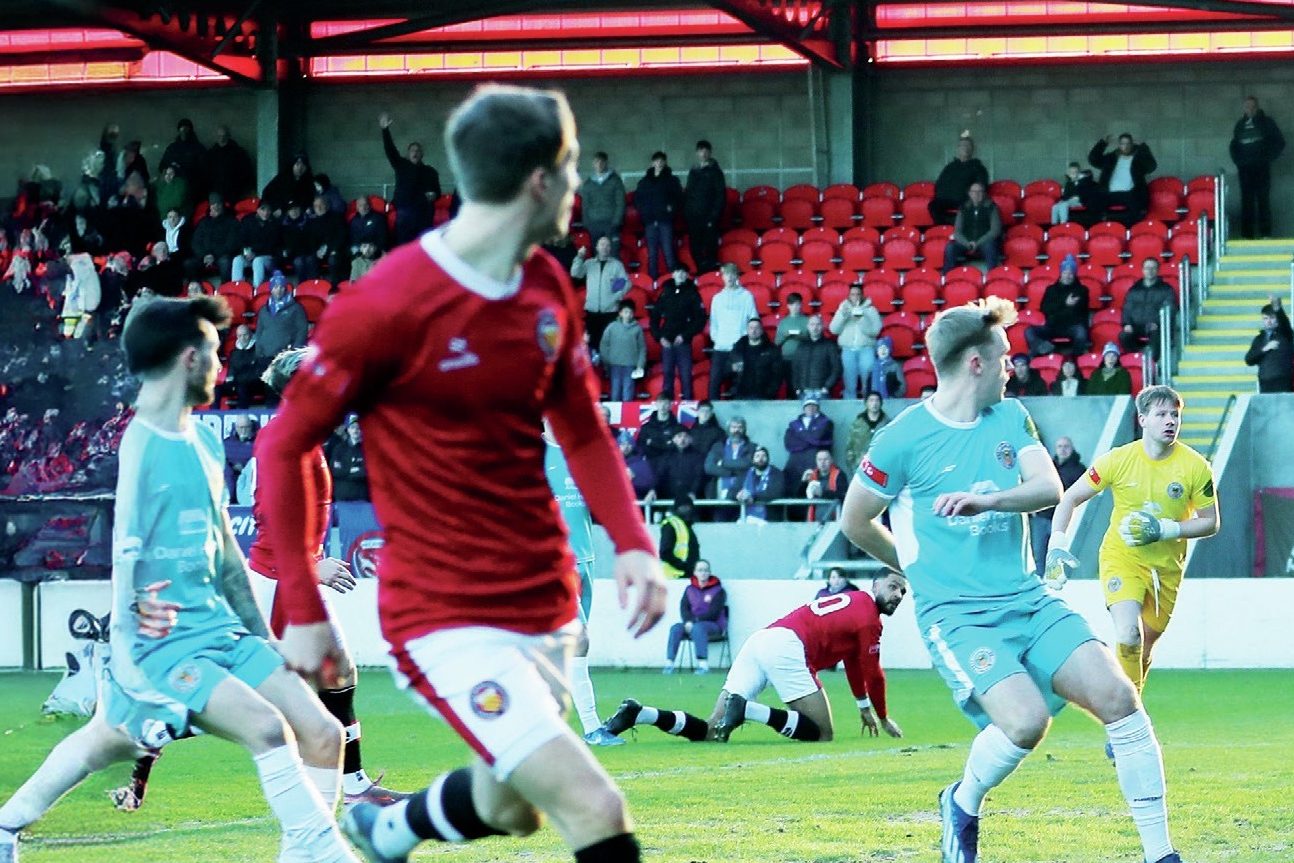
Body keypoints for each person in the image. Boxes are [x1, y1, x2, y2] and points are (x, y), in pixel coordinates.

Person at [257, 84, 666, 863]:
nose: (579, 189)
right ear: (542, 181)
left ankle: (392, 825)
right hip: (442, 610)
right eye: (572, 170)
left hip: (542, 597)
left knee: (514, 805)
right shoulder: (386, 304)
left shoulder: (544, 284)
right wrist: (305, 608)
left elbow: (579, 428)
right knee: (594, 803)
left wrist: (634, 542)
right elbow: (282, 445)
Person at [0, 297, 360, 863]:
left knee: (324, 734)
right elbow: (126, 559)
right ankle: (323, 853)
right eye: (215, 354)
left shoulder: (206, 442)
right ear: (188, 359)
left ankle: (3, 828)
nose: (223, 367)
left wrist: (262, 638)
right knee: (263, 730)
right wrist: (129, 651)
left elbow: (225, 557)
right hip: (161, 641)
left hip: (220, 628)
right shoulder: (142, 444)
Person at [841, 296, 1186, 863]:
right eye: (1003, 357)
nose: (1012, 366)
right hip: (958, 616)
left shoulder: (1011, 416)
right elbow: (855, 521)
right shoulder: (901, 439)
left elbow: (1050, 489)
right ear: (975, 363)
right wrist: (919, 575)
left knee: (1120, 700)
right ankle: (962, 800)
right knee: (1025, 724)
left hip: (1027, 597)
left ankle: (1161, 855)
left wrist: (987, 502)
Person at [118, 350, 403, 814]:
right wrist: (312, 566)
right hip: (276, 583)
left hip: (291, 578)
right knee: (242, 695)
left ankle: (352, 784)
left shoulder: (302, 436)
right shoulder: (283, 440)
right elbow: (270, 520)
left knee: (339, 674)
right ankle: (146, 733)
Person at [1048, 386, 1218, 703]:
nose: (1170, 421)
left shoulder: (1196, 467)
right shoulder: (1118, 460)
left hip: (1166, 569)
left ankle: (1131, 699)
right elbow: (1070, 497)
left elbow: (1211, 522)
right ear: (1143, 419)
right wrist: (1057, 544)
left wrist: (1165, 529)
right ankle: (1128, 719)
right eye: (1162, 414)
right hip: (1121, 558)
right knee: (1128, 635)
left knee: (1145, 645)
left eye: (1175, 415)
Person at [601, 573, 907, 744]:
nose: (898, 594)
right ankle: (749, 710)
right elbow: (873, 673)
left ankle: (639, 713)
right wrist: (881, 716)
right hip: (788, 646)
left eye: (903, 592)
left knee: (711, 730)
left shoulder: (857, 607)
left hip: (761, 640)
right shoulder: (870, 619)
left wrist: (863, 707)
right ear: (875, 585)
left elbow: (855, 662)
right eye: (893, 586)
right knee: (822, 734)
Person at [543, 423, 624, 747]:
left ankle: (545, 727)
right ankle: (591, 726)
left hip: (586, 559)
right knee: (580, 640)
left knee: (565, 648)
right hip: (556, 561)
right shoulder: (533, 453)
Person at [379, 113, 442, 245]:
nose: (415, 152)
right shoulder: (401, 165)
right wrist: (385, 130)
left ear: (422, 154)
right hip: (405, 213)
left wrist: (434, 195)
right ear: (408, 153)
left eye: (418, 150)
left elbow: (438, 192)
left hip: (424, 214)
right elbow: (390, 150)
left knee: (422, 248)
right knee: (404, 248)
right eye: (412, 150)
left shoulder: (430, 172)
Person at [1029, 436, 1086, 580]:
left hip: (1063, 520)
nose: (1063, 449)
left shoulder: (1079, 470)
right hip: (1042, 518)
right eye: (1060, 446)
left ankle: (1058, 581)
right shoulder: (1048, 467)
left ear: (1072, 448)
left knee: (1059, 554)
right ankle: (1040, 584)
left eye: (1066, 446)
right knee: (1038, 555)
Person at [1229, 96, 1285, 239]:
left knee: (1263, 200)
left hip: (1261, 168)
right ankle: (1247, 235)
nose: (1250, 110)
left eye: (1252, 107)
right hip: (1245, 169)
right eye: (1247, 107)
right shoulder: (1240, 124)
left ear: (1257, 107)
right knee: (1246, 201)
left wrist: (1267, 158)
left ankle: (1265, 234)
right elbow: (1234, 145)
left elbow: (1279, 142)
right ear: (1244, 108)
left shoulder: (1267, 122)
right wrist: (1239, 161)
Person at [649, 267, 706, 399]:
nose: (680, 274)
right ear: (673, 274)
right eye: (678, 271)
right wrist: (659, 337)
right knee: (667, 375)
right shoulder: (665, 292)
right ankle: (666, 406)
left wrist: (685, 335)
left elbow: (700, 319)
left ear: (687, 275)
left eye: (683, 272)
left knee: (686, 375)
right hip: (666, 341)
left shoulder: (693, 293)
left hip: (684, 341)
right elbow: (654, 317)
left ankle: (688, 405)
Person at [662, 560, 728, 674]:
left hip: (713, 625)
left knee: (698, 628)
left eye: (706, 570)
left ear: (709, 573)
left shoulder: (719, 590)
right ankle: (669, 663)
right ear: (695, 573)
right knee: (676, 628)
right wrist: (688, 621)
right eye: (700, 570)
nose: (703, 573)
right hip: (691, 624)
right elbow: (684, 608)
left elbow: (714, 613)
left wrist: (693, 622)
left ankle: (703, 665)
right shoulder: (689, 589)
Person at [708, 264, 759, 400]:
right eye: (726, 274)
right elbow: (714, 323)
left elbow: (753, 319)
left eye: (732, 274)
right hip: (720, 348)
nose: (729, 277)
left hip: (740, 348)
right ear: (722, 277)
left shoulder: (747, 296)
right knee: (714, 383)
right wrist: (717, 339)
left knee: (740, 384)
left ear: (737, 276)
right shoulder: (717, 298)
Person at [1025, 254, 1090, 357]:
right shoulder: (1051, 290)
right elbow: (1045, 309)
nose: (1067, 276)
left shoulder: (1082, 290)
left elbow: (1074, 313)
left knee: (1081, 333)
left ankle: (1074, 359)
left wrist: (1056, 311)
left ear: (1074, 275)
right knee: (1029, 331)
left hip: (1072, 326)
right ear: (1061, 273)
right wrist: (1065, 304)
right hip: (1052, 326)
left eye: (1071, 273)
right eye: (1065, 272)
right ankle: (1045, 348)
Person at [573, 234, 629, 348]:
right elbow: (575, 273)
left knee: (609, 345)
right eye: (602, 244)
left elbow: (626, 283)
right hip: (592, 311)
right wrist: (579, 258)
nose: (605, 247)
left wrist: (616, 297)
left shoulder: (616, 265)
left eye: (608, 245)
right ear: (597, 247)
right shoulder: (589, 263)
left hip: (610, 312)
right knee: (592, 345)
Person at [1088, 132, 1158, 224]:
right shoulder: (1111, 158)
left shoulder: (1138, 159)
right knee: (1094, 205)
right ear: (1119, 145)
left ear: (1132, 144)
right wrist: (1103, 143)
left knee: (1137, 212)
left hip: (1130, 194)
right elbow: (1093, 160)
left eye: (1128, 143)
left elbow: (1152, 166)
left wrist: (1143, 147)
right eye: (1122, 143)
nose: (1125, 146)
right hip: (1109, 194)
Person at [635, 151, 683, 281]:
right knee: (652, 254)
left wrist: (670, 210)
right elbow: (638, 200)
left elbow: (678, 198)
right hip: (650, 222)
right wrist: (645, 214)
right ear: (652, 163)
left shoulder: (672, 180)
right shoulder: (644, 182)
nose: (659, 163)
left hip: (665, 221)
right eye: (657, 161)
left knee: (668, 252)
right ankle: (653, 281)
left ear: (665, 163)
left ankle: (674, 280)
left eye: (662, 161)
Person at [829, 284, 882, 400]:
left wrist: (861, 319)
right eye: (853, 294)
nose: (855, 297)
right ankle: (849, 406)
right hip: (847, 350)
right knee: (849, 383)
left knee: (867, 381)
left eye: (858, 294)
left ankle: (868, 403)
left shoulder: (871, 310)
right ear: (849, 296)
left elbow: (876, 331)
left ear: (862, 295)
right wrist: (843, 317)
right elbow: (833, 330)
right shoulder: (842, 309)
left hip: (866, 349)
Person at [683, 140, 727, 274]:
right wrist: (688, 212)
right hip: (694, 216)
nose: (703, 153)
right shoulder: (693, 171)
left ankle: (710, 271)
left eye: (706, 150)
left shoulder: (716, 172)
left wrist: (714, 216)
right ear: (697, 153)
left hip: (709, 216)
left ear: (710, 152)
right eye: (701, 150)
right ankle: (701, 270)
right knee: (695, 245)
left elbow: (720, 195)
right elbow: (688, 193)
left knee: (710, 245)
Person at [1120, 258, 1176, 358]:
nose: (1150, 270)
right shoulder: (1134, 289)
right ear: (1143, 270)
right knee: (1124, 336)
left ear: (1158, 270)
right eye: (1147, 268)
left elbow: (1169, 309)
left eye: (1153, 268)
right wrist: (1127, 323)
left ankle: (1154, 364)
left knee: (1157, 337)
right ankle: (1136, 359)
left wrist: (1158, 323)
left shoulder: (1166, 289)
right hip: (1136, 326)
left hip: (1156, 327)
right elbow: (1127, 308)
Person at [942, 182, 1002, 274]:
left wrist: (977, 243)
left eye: (979, 191)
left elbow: (995, 230)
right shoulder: (963, 208)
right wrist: (967, 243)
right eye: (974, 191)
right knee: (950, 248)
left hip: (984, 242)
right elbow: (957, 232)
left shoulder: (991, 207)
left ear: (984, 193)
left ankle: (992, 275)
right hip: (967, 242)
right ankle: (947, 277)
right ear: (969, 193)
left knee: (990, 246)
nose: (976, 194)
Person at [929, 137, 989, 226]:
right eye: (962, 145)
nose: (964, 147)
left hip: (965, 200)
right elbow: (939, 184)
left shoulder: (978, 167)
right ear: (958, 149)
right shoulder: (949, 167)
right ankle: (946, 226)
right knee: (933, 206)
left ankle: (957, 224)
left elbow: (981, 186)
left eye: (967, 145)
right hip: (946, 200)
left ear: (972, 149)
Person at [703, 416, 754, 515]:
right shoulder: (718, 446)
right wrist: (731, 472)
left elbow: (748, 463)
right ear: (728, 429)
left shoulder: (752, 447)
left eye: (740, 427)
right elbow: (709, 467)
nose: (737, 430)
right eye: (733, 427)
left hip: (743, 492)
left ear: (744, 429)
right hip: (719, 491)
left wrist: (723, 463)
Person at [599, 299, 647, 402]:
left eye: (630, 312)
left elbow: (642, 348)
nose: (628, 315)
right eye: (626, 312)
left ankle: (627, 417)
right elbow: (604, 345)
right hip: (614, 365)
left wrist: (640, 366)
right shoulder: (612, 327)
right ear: (620, 313)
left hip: (630, 366)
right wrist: (607, 361)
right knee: (615, 393)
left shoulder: (637, 329)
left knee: (628, 393)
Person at [1244, 295, 1293, 393]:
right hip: (1265, 382)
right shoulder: (1259, 339)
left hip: (1283, 382)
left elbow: (1284, 322)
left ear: (1277, 319)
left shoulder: (1285, 334)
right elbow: (1249, 359)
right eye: (1265, 318)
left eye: (1272, 318)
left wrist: (1277, 308)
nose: (1269, 321)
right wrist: (1264, 349)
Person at [581, 151, 626, 252]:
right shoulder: (588, 183)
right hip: (594, 224)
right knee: (596, 255)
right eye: (597, 162)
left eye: (602, 162)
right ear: (593, 164)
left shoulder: (615, 181)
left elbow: (621, 202)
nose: (599, 164)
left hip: (611, 223)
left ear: (606, 163)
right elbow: (585, 205)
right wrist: (587, 223)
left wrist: (616, 221)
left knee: (614, 254)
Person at [783, 395, 834, 481]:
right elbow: (788, 444)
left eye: (813, 405)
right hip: (796, 460)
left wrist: (800, 435)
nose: (810, 408)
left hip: (816, 459)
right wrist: (810, 442)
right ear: (804, 408)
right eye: (808, 405)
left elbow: (818, 438)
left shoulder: (826, 422)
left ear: (817, 407)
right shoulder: (794, 424)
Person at [790, 314, 841, 400]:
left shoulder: (829, 345)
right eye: (812, 324)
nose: (815, 327)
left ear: (822, 326)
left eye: (818, 324)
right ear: (808, 327)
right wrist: (797, 387)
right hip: (804, 391)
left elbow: (836, 368)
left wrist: (827, 387)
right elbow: (795, 368)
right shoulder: (802, 346)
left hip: (821, 392)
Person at [729, 318, 782, 399]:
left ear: (761, 330)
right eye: (751, 328)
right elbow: (726, 369)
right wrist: (731, 368)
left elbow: (777, 374)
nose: (753, 331)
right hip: (740, 394)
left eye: (756, 328)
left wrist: (769, 392)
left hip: (763, 395)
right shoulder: (738, 348)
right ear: (747, 330)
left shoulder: (771, 349)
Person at [654, 428, 707, 503]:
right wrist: (653, 490)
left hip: (691, 497)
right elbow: (659, 475)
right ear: (674, 439)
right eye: (679, 436)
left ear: (690, 439)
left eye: (685, 436)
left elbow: (700, 476)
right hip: (669, 497)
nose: (682, 439)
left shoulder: (698, 456)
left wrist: (693, 491)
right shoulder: (667, 456)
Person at [735, 445, 785, 522]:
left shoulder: (776, 473)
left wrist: (753, 497)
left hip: (768, 519)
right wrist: (739, 495)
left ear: (768, 459)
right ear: (752, 460)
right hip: (746, 517)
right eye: (757, 456)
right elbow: (731, 492)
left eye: (763, 456)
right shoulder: (745, 474)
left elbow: (776, 492)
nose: (760, 459)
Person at [636, 392, 682, 473]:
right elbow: (640, 447)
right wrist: (666, 444)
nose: (663, 406)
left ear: (671, 405)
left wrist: (652, 443)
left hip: (671, 468)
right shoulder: (646, 427)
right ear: (656, 404)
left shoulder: (678, 428)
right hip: (650, 466)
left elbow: (677, 448)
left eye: (666, 403)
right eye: (660, 402)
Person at [845, 392, 890, 474]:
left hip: (882, 466)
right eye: (871, 400)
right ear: (866, 403)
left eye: (877, 401)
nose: (874, 403)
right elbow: (850, 445)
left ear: (881, 403)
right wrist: (852, 464)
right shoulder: (858, 423)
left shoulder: (887, 424)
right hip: (861, 466)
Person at [800, 449, 849, 523]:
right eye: (819, 460)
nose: (822, 462)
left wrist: (822, 493)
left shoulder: (839, 475)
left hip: (834, 522)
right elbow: (799, 497)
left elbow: (843, 496)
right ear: (816, 461)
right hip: (813, 522)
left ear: (831, 460)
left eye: (825, 459)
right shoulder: (811, 475)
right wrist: (803, 482)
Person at [775, 291, 809, 393]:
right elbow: (777, 342)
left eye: (798, 304)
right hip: (787, 359)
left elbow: (813, 340)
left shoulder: (807, 320)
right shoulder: (783, 322)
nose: (795, 307)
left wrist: (801, 337)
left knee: (802, 386)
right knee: (790, 387)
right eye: (793, 304)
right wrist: (786, 336)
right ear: (788, 306)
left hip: (803, 359)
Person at [659, 495, 700, 580]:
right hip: (675, 576)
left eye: (689, 507)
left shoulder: (687, 526)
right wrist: (684, 566)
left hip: (687, 576)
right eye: (683, 507)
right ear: (676, 509)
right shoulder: (671, 524)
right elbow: (665, 552)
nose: (687, 510)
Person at [329, 417, 370, 502]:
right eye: (352, 427)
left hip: (362, 497)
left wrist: (344, 469)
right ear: (348, 430)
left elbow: (368, 471)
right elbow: (334, 470)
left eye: (358, 428)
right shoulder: (339, 448)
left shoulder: (368, 449)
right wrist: (352, 470)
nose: (355, 430)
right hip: (341, 497)